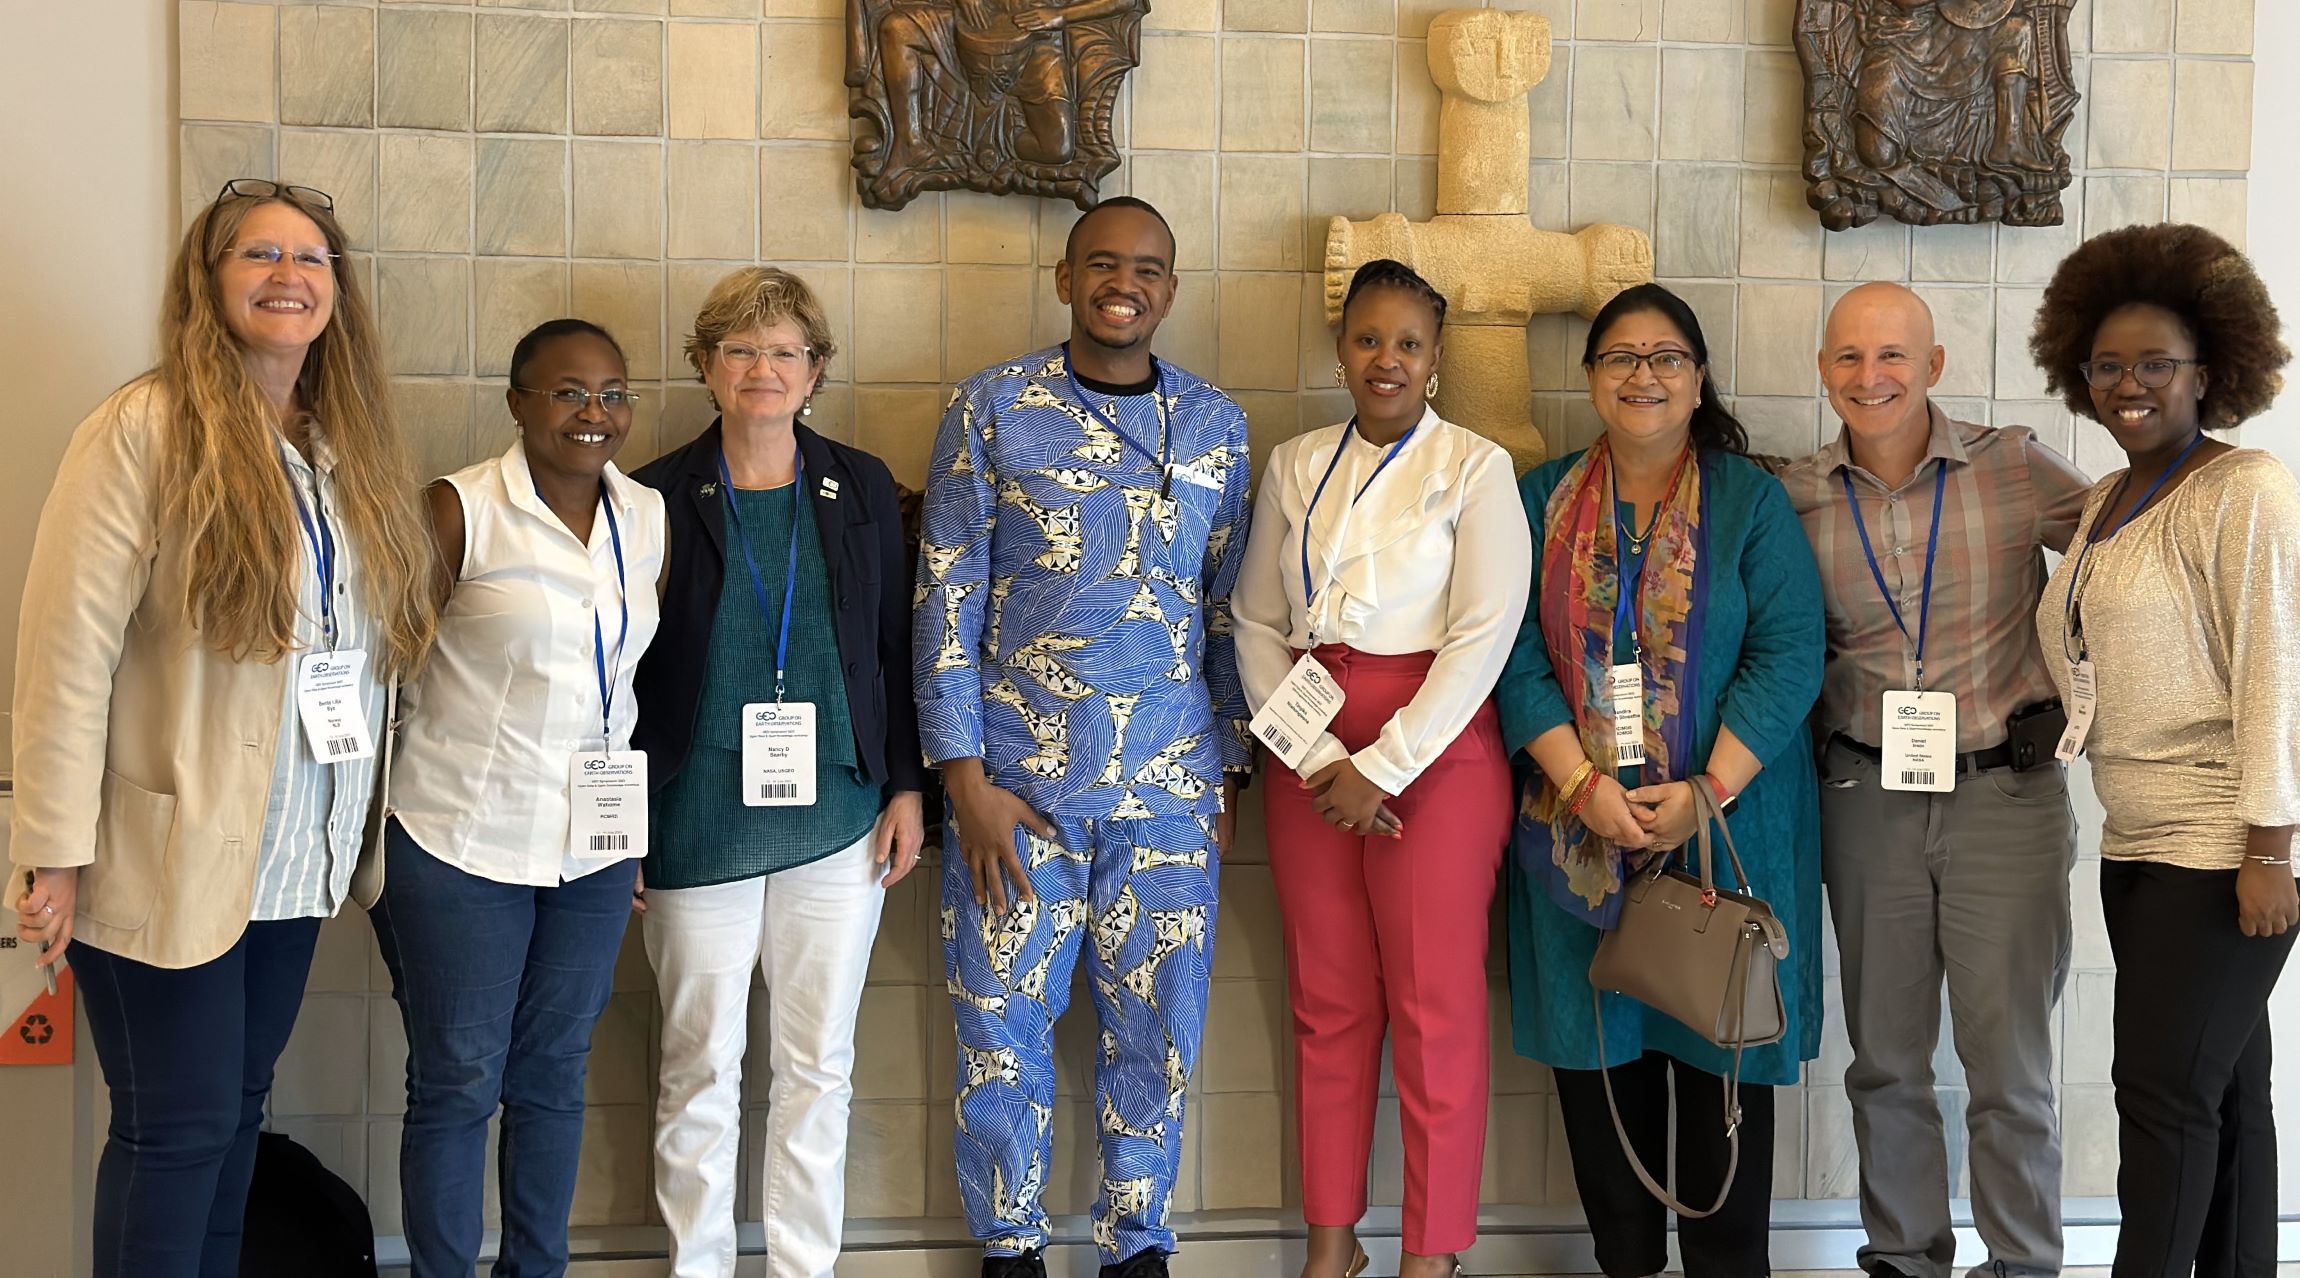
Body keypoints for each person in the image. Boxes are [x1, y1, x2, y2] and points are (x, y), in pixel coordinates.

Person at [9, 179, 435, 1276]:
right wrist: (51, 847)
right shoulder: (143, 430)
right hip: (168, 849)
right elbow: (64, 650)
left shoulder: (345, 449)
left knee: (234, 1116)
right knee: (176, 1130)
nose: (288, 275)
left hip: (292, 856)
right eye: (258, 254)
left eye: (310, 258)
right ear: (209, 282)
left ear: (337, 292)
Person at [914, 195, 1253, 1278]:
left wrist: (1227, 769)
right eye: (1102, 264)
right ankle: (1009, 1250)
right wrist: (961, 781)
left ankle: (1136, 1248)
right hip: (1016, 796)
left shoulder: (1216, 426)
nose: (1124, 284)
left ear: (1170, 289)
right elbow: (945, 595)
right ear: (1066, 280)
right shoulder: (992, 407)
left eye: (1147, 268)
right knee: (998, 1034)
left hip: (1168, 792)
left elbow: (1224, 613)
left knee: (1158, 1034)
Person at [1496, 283, 1824, 1278]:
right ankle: (1627, 1263)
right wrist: (1580, 785)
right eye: (1620, 358)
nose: (1643, 376)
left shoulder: (1749, 502)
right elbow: (1509, 653)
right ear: (1591, 376)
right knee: (1604, 1062)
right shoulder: (1536, 501)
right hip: (1579, 834)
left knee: (1720, 1055)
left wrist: (1705, 793)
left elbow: (1788, 653)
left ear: (1697, 378)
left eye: (1665, 357)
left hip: (1727, 828)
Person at [1777, 282, 2089, 1278]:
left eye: (1891, 356)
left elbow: (2126, 560)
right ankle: (1905, 1257)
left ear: (1933, 367)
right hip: (1864, 800)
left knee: (2009, 1065)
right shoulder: (1793, 496)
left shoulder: (2012, 467)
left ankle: (2023, 1263)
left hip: (2005, 795)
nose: (1869, 377)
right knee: (1885, 1061)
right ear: (1823, 369)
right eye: (1848, 357)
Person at [1232, 260, 1529, 1278]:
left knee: (1433, 1006)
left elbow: (1483, 636)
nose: (1386, 359)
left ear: (1435, 358)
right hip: (1306, 744)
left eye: (1407, 342)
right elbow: (1253, 621)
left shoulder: (1475, 468)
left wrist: (1384, 766)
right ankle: (1330, 1245)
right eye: (1368, 339)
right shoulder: (1294, 462)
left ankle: (1430, 1255)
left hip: (1432, 750)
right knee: (1327, 1002)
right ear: (1340, 350)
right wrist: (1320, 759)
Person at [630, 267, 927, 1278]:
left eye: (785, 351)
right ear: (706, 366)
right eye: (741, 349)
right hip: (690, 820)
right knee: (696, 1068)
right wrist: (620, 825)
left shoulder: (860, 485)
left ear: (816, 370)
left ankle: (805, 1268)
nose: (764, 368)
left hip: (838, 818)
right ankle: (698, 1267)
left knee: (817, 1069)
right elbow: (616, 669)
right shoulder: (651, 495)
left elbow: (892, 645)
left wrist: (905, 786)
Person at [2029, 222, 2300, 1278]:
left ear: (2209, 372)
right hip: (2133, 837)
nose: (2127, 385)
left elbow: (2274, 674)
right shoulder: (2107, 499)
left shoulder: (2244, 489)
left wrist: (2269, 847)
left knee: (2159, 1095)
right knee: (2223, 1090)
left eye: (2154, 364)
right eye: (2106, 366)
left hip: (2221, 841)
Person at [371, 319, 666, 1277]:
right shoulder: (458, 509)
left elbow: (626, 683)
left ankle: (537, 1269)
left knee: (554, 1077)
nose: (594, 413)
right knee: (458, 1082)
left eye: (613, 393)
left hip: (592, 851)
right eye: (568, 392)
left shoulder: (647, 516)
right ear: (518, 403)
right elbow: (388, 668)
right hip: (459, 839)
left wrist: (628, 835)